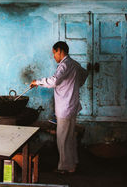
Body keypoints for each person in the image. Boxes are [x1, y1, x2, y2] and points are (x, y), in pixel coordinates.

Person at [30, 41, 88, 174]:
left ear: (60, 51)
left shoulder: (64, 65)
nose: (54, 56)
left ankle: (65, 167)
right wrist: (73, 86)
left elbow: (54, 81)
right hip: (71, 106)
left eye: (54, 53)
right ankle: (73, 163)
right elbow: (84, 75)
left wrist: (37, 82)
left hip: (65, 107)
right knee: (70, 137)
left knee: (62, 138)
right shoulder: (73, 64)